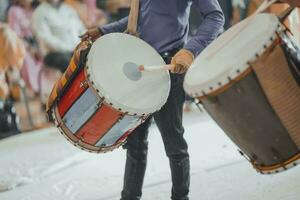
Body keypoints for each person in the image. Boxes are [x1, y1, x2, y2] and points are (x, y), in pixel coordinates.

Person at [80, 0, 224, 199]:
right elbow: (141, 16)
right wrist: (104, 30)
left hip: (168, 69)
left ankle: (181, 197)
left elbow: (216, 16)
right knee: (135, 142)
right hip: (138, 66)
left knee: (174, 142)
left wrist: (191, 50)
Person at [32, 0, 85, 73]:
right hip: (54, 53)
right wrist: (68, 48)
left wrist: (83, 42)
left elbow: (81, 29)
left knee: (89, 55)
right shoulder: (40, 12)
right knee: (69, 63)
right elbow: (45, 37)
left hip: (75, 48)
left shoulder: (68, 9)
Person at [8, 0, 42, 93]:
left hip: (40, 42)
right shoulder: (14, 11)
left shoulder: (38, 8)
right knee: (25, 57)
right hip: (23, 44)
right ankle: (37, 90)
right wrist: (30, 48)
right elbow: (15, 36)